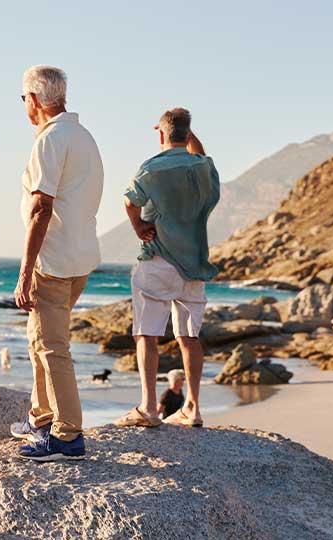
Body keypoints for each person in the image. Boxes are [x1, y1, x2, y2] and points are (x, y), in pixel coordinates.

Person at [11, 65, 103, 461]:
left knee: (52, 347)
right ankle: (41, 417)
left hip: (54, 259)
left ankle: (67, 436)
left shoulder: (50, 140)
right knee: (39, 340)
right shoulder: (83, 135)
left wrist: (26, 269)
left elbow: (41, 209)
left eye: (23, 99)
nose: (24, 106)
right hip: (80, 255)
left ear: (34, 99)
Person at [115, 107, 218, 429]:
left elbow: (130, 201)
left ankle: (148, 408)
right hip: (194, 264)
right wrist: (186, 133)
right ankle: (193, 408)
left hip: (158, 260)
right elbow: (200, 153)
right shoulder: (204, 168)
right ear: (188, 134)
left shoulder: (153, 167)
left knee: (147, 333)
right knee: (189, 336)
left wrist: (138, 228)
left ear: (161, 134)